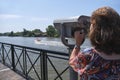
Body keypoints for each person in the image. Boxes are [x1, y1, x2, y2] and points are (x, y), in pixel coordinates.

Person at [69, 6, 120, 80]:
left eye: (91, 24)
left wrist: (77, 44)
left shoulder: (89, 54)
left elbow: (73, 62)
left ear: (95, 30)